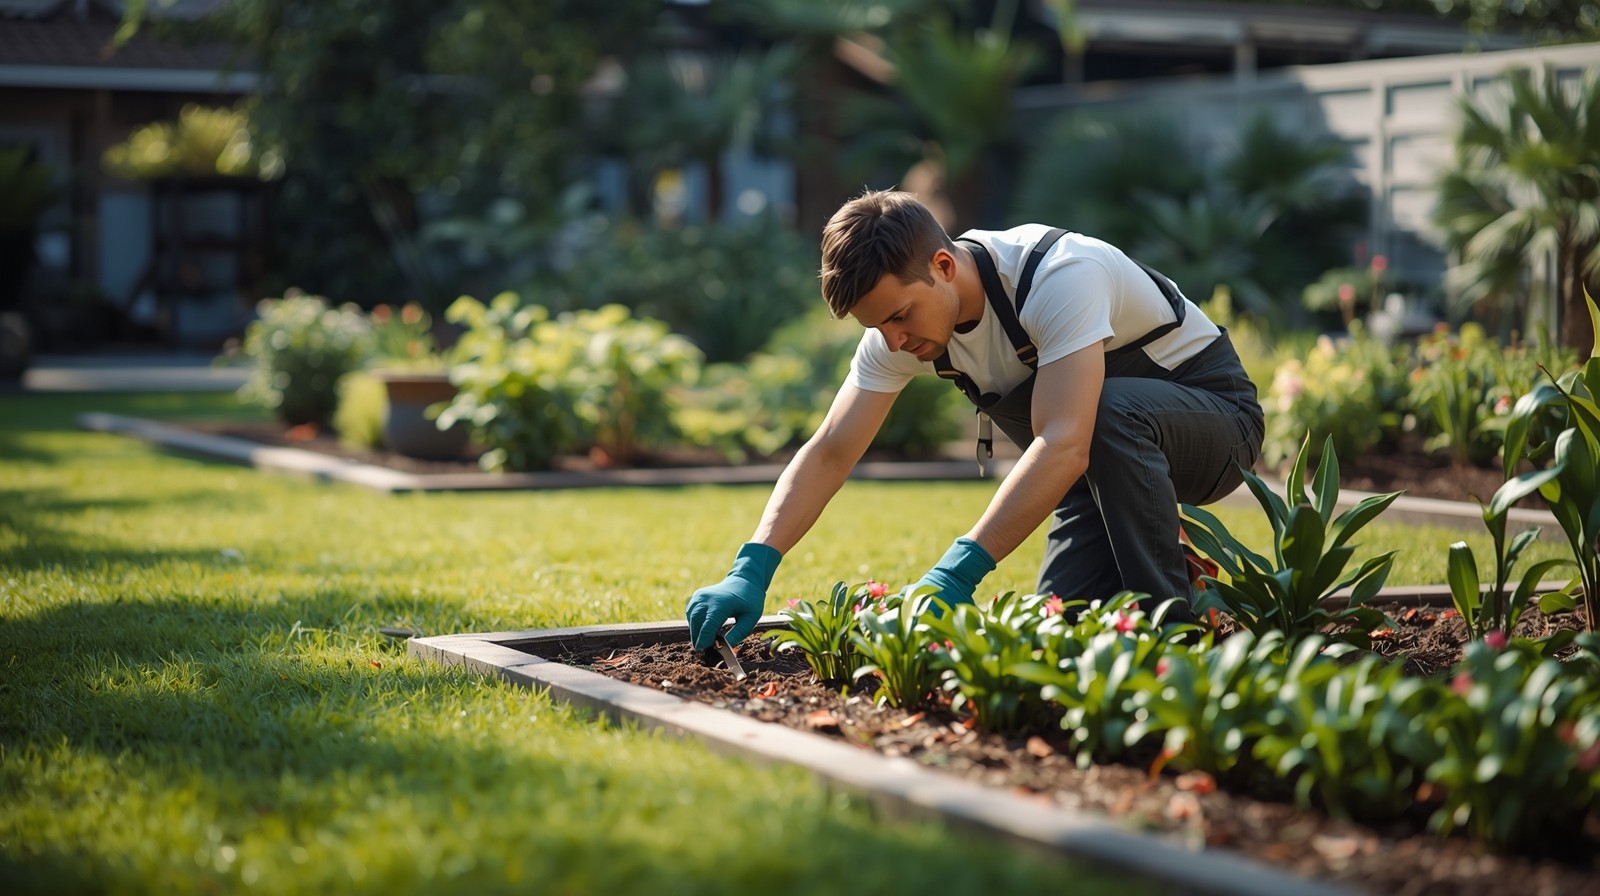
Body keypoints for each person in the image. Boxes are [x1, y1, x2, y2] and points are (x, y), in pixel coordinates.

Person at [685, 189, 1263, 651]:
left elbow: (1065, 442)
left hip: (1217, 423)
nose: (893, 340)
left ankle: (1173, 636)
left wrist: (956, 573)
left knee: (1108, 411)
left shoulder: (1058, 276)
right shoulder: (899, 329)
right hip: (1096, 477)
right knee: (1056, 637)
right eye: (877, 327)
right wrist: (752, 565)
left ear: (943, 265)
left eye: (899, 316)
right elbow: (832, 450)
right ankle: (1176, 573)